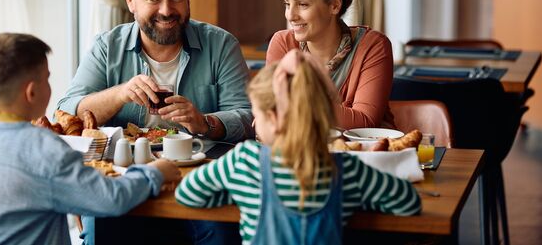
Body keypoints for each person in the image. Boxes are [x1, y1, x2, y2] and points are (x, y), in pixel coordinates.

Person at [0, 33, 181, 245]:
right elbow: (111, 199)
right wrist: (157, 172)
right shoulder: (44, 149)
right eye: (47, 79)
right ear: (31, 92)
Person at [176, 49, 421, 244]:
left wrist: (235, 191)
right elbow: (409, 202)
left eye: (257, 115)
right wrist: (363, 198)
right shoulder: (349, 171)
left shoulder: (243, 162)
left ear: (273, 119)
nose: (253, 122)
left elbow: (187, 194)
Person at [58, 0, 253, 143]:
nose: (166, 11)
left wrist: (205, 123)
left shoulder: (221, 45)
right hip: (126, 167)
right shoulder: (107, 48)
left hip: (203, 167)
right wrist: (120, 94)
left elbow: (248, 118)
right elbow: (65, 114)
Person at [266, 0, 395, 129]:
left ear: (334, 5)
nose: (290, 15)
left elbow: (364, 122)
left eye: (302, 4)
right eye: (287, 3)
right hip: (302, 156)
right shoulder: (282, 43)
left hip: (363, 156)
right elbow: (272, 114)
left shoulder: (373, 46)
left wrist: (292, 102)